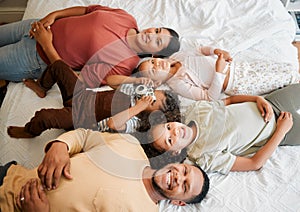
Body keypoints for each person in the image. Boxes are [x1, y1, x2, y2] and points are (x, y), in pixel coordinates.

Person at [0, 129, 210, 211]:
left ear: (178, 202)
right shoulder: (130, 145)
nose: (177, 177)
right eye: (184, 171)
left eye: (184, 185)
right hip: (10, 176)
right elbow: (83, 137)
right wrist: (60, 145)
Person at [0, 5, 180, 83]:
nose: (151, 34)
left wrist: (46, 44)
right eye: (157, 30)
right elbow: (86, 10)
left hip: (36, 58)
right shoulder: (126, 18)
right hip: (37, 25)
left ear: (155, 55)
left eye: (158, 42)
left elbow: (78, 80)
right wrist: (54, 15)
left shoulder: (124, 65)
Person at [146, 83, 300, 175]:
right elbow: (254, 163)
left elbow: (230, 100)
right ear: (175, 152)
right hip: (280, 130)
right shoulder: (203, 156)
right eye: (170, 139)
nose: (175, 131)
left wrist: (257, 99)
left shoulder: (196, 110)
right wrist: (281, 131)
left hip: (271, 103)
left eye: (168, 127)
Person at [7, 59, 181, 138]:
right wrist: (134, 80)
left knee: (44, 116)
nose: (147, 96)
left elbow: (112, 124)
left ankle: (30, 131)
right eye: (151, 93)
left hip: (79, 118)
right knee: (58, 66)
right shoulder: (136, 92)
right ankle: (42, 86)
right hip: (82, 96)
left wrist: (138, 108)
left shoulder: (136, 121)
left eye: (151, 100)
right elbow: (111, 81)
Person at [126, 47, 299, 100]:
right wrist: (219, 71)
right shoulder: (177, 83)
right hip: (235, 82)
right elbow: (210, 97)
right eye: (154, 70)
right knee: (285, 80)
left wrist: (216, 51)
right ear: (156, 83)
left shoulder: (177, 57)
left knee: (285, 69)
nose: (158, 64)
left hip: (239, 66)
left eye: (154, 61)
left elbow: (200, 49)